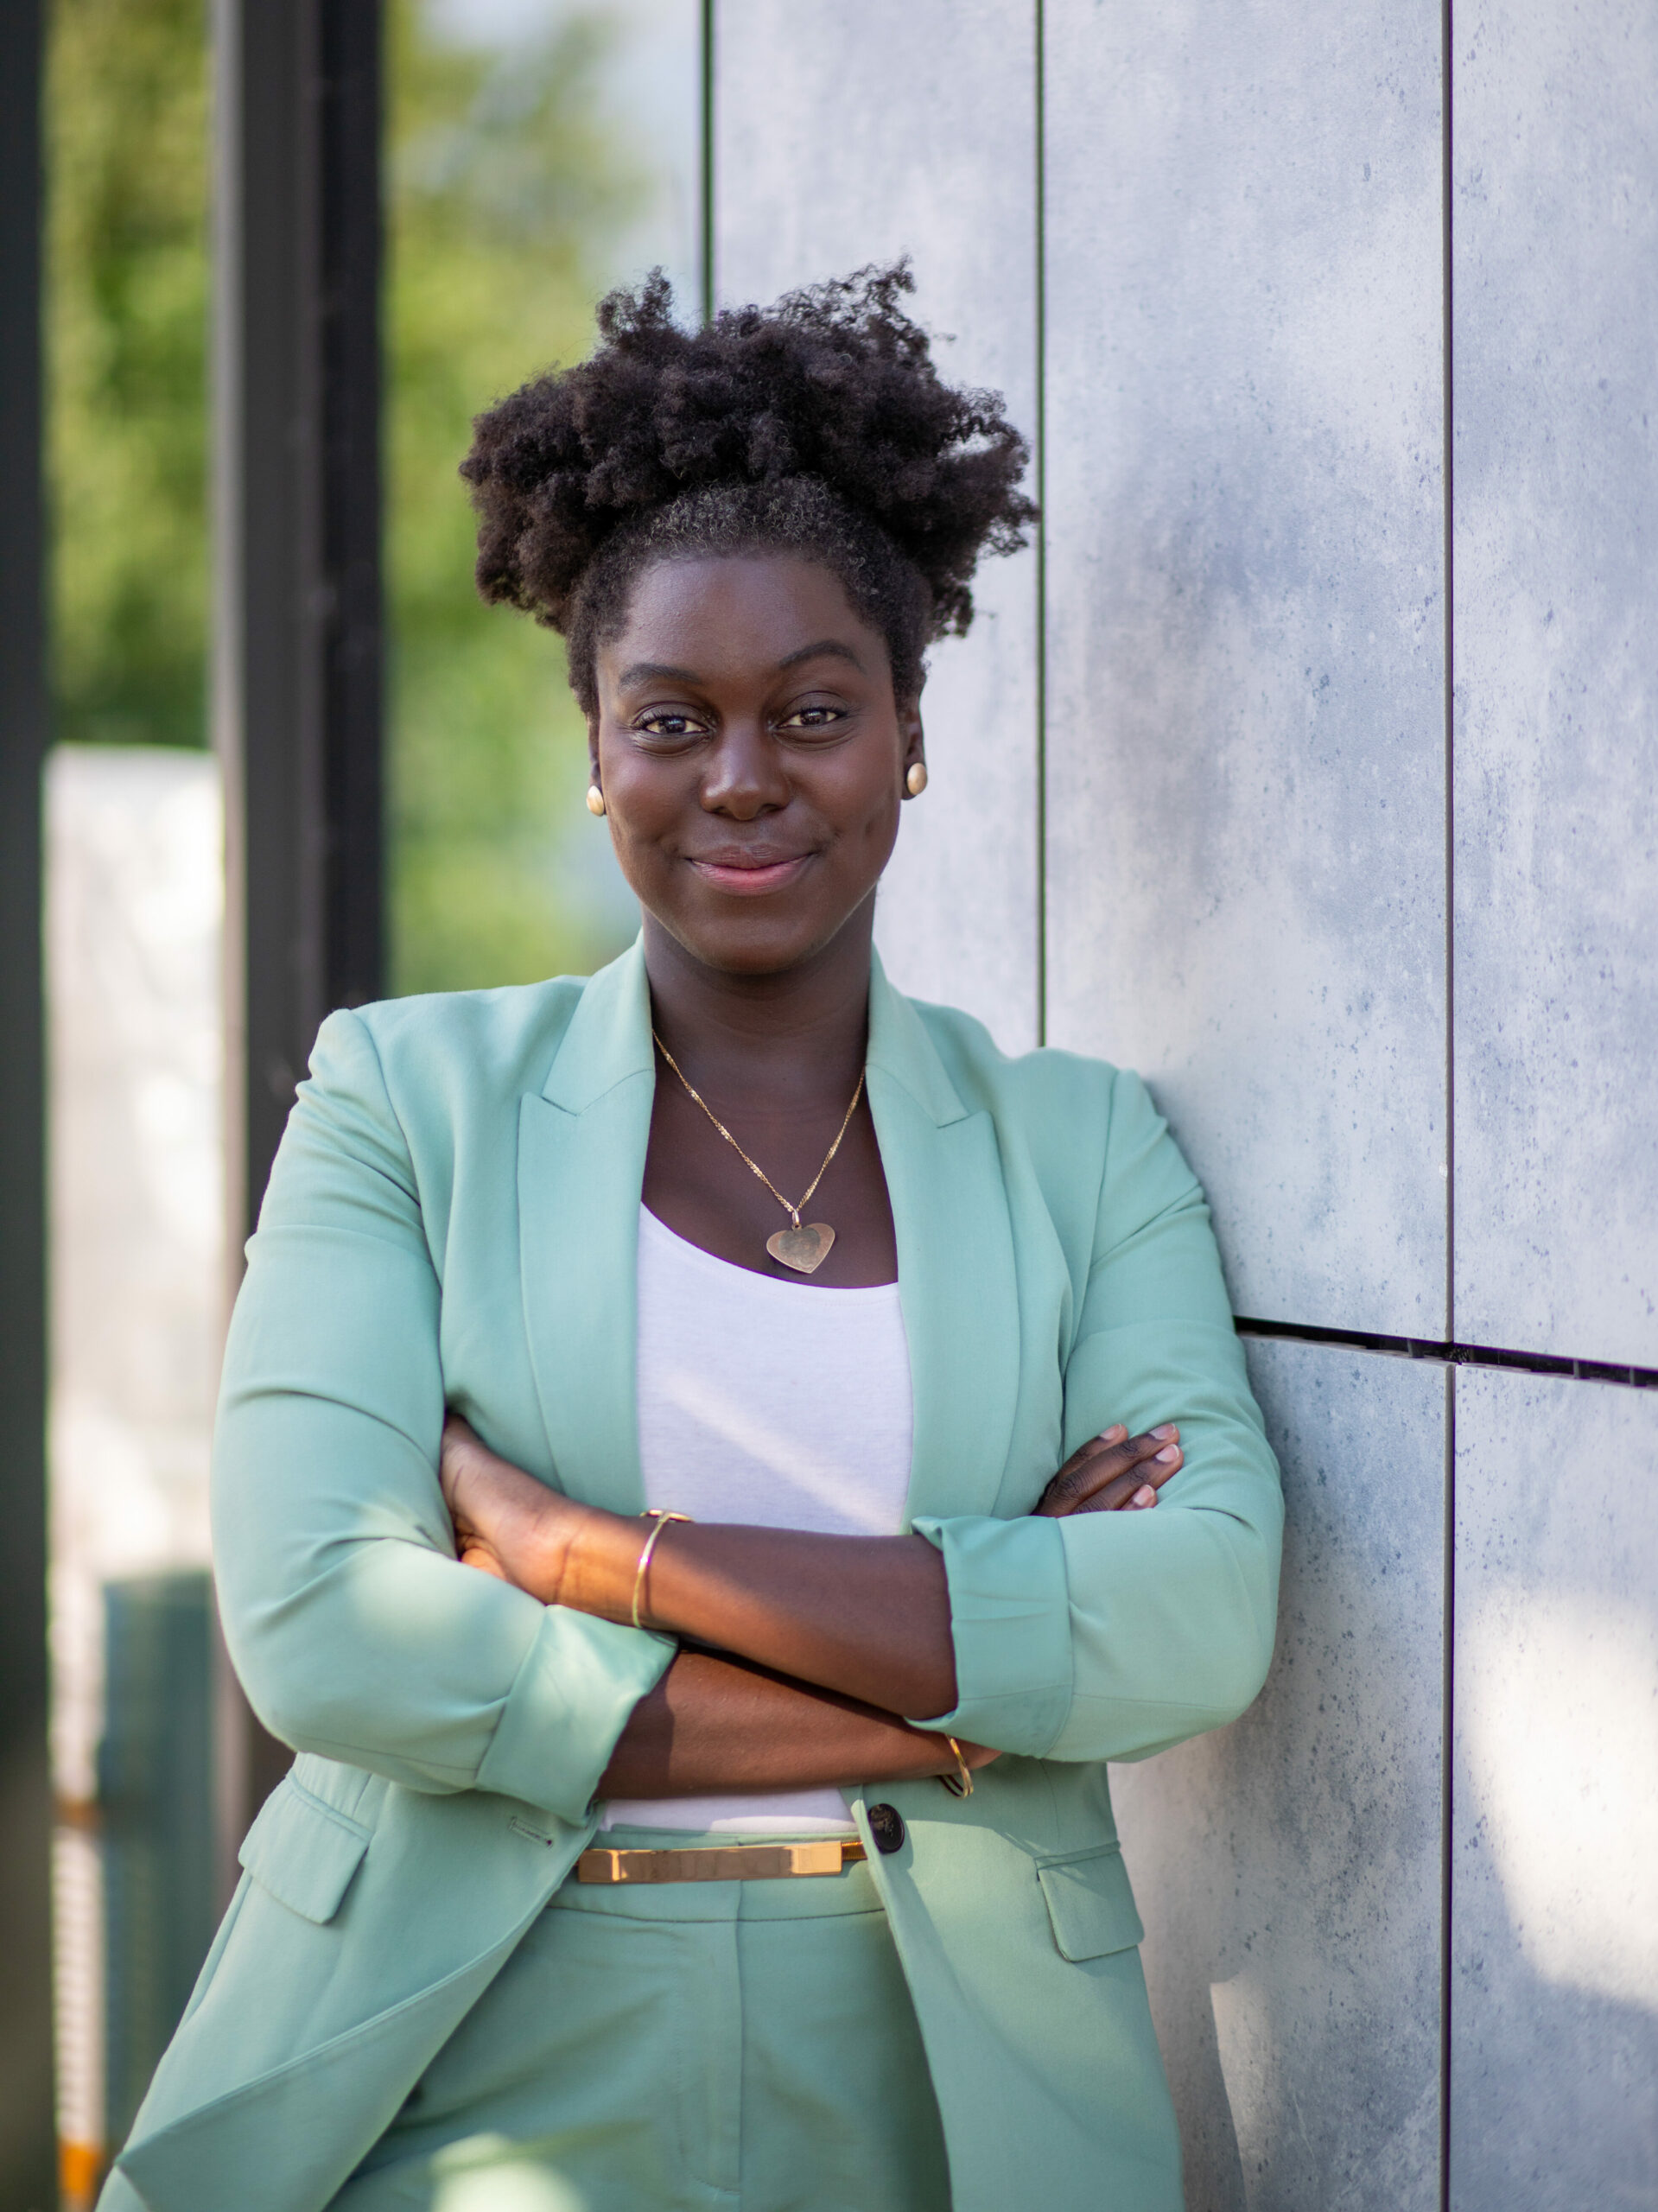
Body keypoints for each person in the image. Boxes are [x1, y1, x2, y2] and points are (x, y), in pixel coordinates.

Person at [100, 265, 1282, 2212]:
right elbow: (329, 1630)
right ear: (596, 748)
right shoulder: (405, 1102)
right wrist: (966, 1693)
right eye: (674, 717)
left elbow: (1199, 1609)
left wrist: (600, 1561)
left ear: (905, 736)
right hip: (454, 2048)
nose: (742, 774)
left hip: (948, 2076)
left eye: (814, 709)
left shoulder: (1088, 1149)